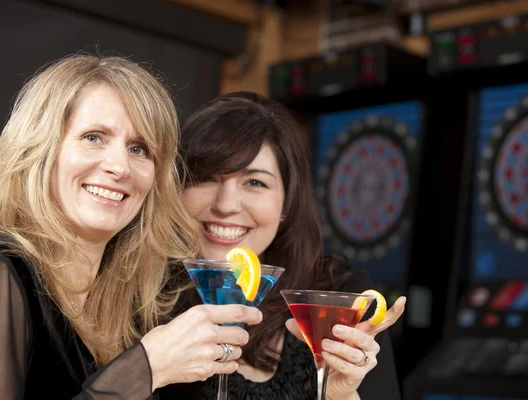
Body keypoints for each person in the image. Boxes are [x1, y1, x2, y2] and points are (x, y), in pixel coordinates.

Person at [0, 56, 263, 399]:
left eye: (139, 149)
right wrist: (147, 368)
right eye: (93, 137)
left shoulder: (128, 302)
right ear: (40, 149)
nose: (120, 167)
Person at [158, 91, 406, 400]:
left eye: (255, 182)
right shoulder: (146, 299)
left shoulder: (340, 300)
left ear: (286, 201)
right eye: (207, 177)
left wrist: (341, 396)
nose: (226, 205)